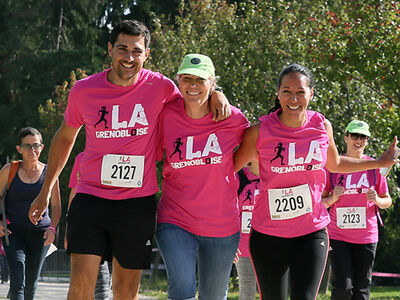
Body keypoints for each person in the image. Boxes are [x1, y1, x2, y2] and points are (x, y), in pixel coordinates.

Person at [28, 20, 230, 300]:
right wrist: (46, 190)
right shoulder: (84, 90)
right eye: (122, 49)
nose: (129, 57)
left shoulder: (161, 87)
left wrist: (218, 92)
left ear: (147, 54)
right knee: (80, 287)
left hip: (137, 204)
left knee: (125, 292)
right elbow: (65, 138)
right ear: (110, 49)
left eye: (136, 51)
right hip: (91, 198)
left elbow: (193, 98)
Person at [233, 64, 398, 300]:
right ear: (277, 93)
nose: (294, 98)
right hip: (268, 234)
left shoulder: (321, 126)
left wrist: (379, 163)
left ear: (311, 93)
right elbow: (228, 172)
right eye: (287, 91)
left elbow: (336, 165)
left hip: (310, 232)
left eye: (300, 91)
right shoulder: (259, 132)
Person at [155, 53, 249, 300]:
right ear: (179, 81)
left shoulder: (234, 118)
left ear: (212, 82)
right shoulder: (165, 116)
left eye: (200, 80)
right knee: (183, 287)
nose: (193, 85)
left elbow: (258, 146)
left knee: (214, 296)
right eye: (187, 78)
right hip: (175, 219)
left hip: (222, 225)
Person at [322, 120, 392, 300]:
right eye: (354, 135)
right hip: (338, 236)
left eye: (363, 137)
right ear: (346, 137)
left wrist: (377, 199)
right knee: (343, 288)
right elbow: (320, 203)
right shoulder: (333, 166)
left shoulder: (374, 166)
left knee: (361, 291)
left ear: (367, 141)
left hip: (366, 236)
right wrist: (332, 198)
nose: (358, 140)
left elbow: (388, 201)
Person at [0, 127, 61, 300]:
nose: (32, 150)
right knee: (18, 278)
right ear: (19, 149)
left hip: (41, 234)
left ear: (42, 147)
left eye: (36, 145)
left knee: (31, 282)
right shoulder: (9, 170)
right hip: (13, 232)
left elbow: (56, 206)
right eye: (27, 146)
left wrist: (53, 228)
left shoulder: (50, 173)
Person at [66, 152, 111, 300]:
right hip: (89, 222)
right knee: (98, 285)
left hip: (119, 220)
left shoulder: (128, 150)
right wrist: (69, 228)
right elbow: (75, 192)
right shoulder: (82, 157)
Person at [233, 160, 261, 300]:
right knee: (247, 288)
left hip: (271, 242)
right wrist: (232, 243)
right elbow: (229, 213)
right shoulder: (239, 178)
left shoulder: (273, 176)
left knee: (271, 288)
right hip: (243, 245)